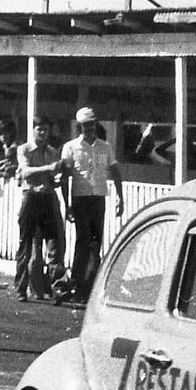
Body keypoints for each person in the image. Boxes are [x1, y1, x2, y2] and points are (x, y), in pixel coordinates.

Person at [60, 106, 124, 305]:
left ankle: (91, 289)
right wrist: (67, 205)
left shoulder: (105, 147)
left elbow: (114, 171)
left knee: (96, 243)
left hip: (98, 199)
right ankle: (77, 286)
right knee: (82, 242)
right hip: (80, 199)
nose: (89, 128)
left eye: (92, 124)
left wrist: (120, 197)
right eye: (85, 125)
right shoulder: (70, 147)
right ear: (80, 126)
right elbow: (64, 178)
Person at [13, 115, 66, 302]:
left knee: (54, 244)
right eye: (39, 129)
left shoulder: (52, 152)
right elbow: (25, 171)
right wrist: (48, 169)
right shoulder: (24, 149)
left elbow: (54, 176)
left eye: (45, 129)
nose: (43, 133)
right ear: (33, 130)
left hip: (48, 198)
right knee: (25, 245)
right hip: (31, 198)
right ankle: (20, 288)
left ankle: (56, 288)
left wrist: (56, 177)